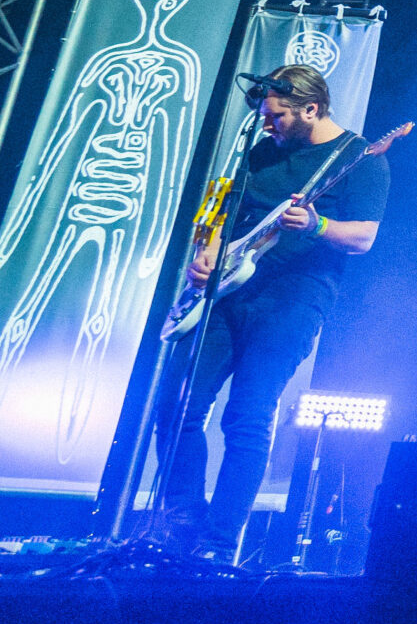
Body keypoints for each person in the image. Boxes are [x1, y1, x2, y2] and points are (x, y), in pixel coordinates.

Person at [162, 66, 389, 562]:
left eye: (277, 116)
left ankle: (216, 546)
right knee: (175, 405)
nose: (266, 124)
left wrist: (317, 224)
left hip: (293, 300)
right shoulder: (262, 152)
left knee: (246, 416)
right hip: (226, 295)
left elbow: (364, 238)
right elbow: (224, 215)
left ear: (311, 109)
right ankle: (181, 524)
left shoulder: (360, 159)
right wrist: (206, 253)